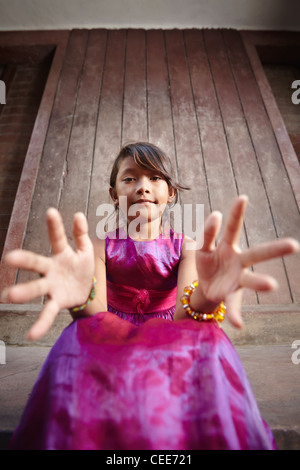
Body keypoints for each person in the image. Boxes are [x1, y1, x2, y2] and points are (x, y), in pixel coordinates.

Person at [3, 142, 299, 450]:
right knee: (76, 335)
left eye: (154, 178)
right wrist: (79, 299)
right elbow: (96, 316)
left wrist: (209, 297)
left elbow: (187, 317)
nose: (143, 187)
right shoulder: (100, 247)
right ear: (114, 194)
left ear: (170, 193)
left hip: (171, 332)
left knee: (207, 335)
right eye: (130, 179)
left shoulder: (185, 245)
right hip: (111, 333)